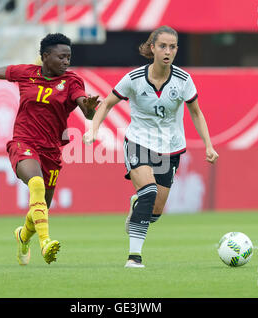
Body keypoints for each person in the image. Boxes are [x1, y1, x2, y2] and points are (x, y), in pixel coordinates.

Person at [0, 33, 99, 265]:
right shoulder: (26, 73)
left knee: (39, 209)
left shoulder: (72, 82)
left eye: (69, 57)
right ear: (45, 57)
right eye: (61, 57)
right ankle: (45, 244)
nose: (66, 62)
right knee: (37, 184)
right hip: (24, 142)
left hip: (51, 151)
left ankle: (23, 236)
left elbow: (85, 107)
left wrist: (90, 109)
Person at [83, 26, 219, 268]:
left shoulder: (184, 80)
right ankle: (134, 258)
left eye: (173, 47)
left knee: (154, 212)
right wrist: (94, 128)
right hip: (139, 142)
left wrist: (209, 145)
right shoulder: (134, 79)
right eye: (163, 46)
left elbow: (196, 113)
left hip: (170, 149)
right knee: (148, 193)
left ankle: (138, 206)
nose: (168, 51)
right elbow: (106, 104)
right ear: (153, 48)